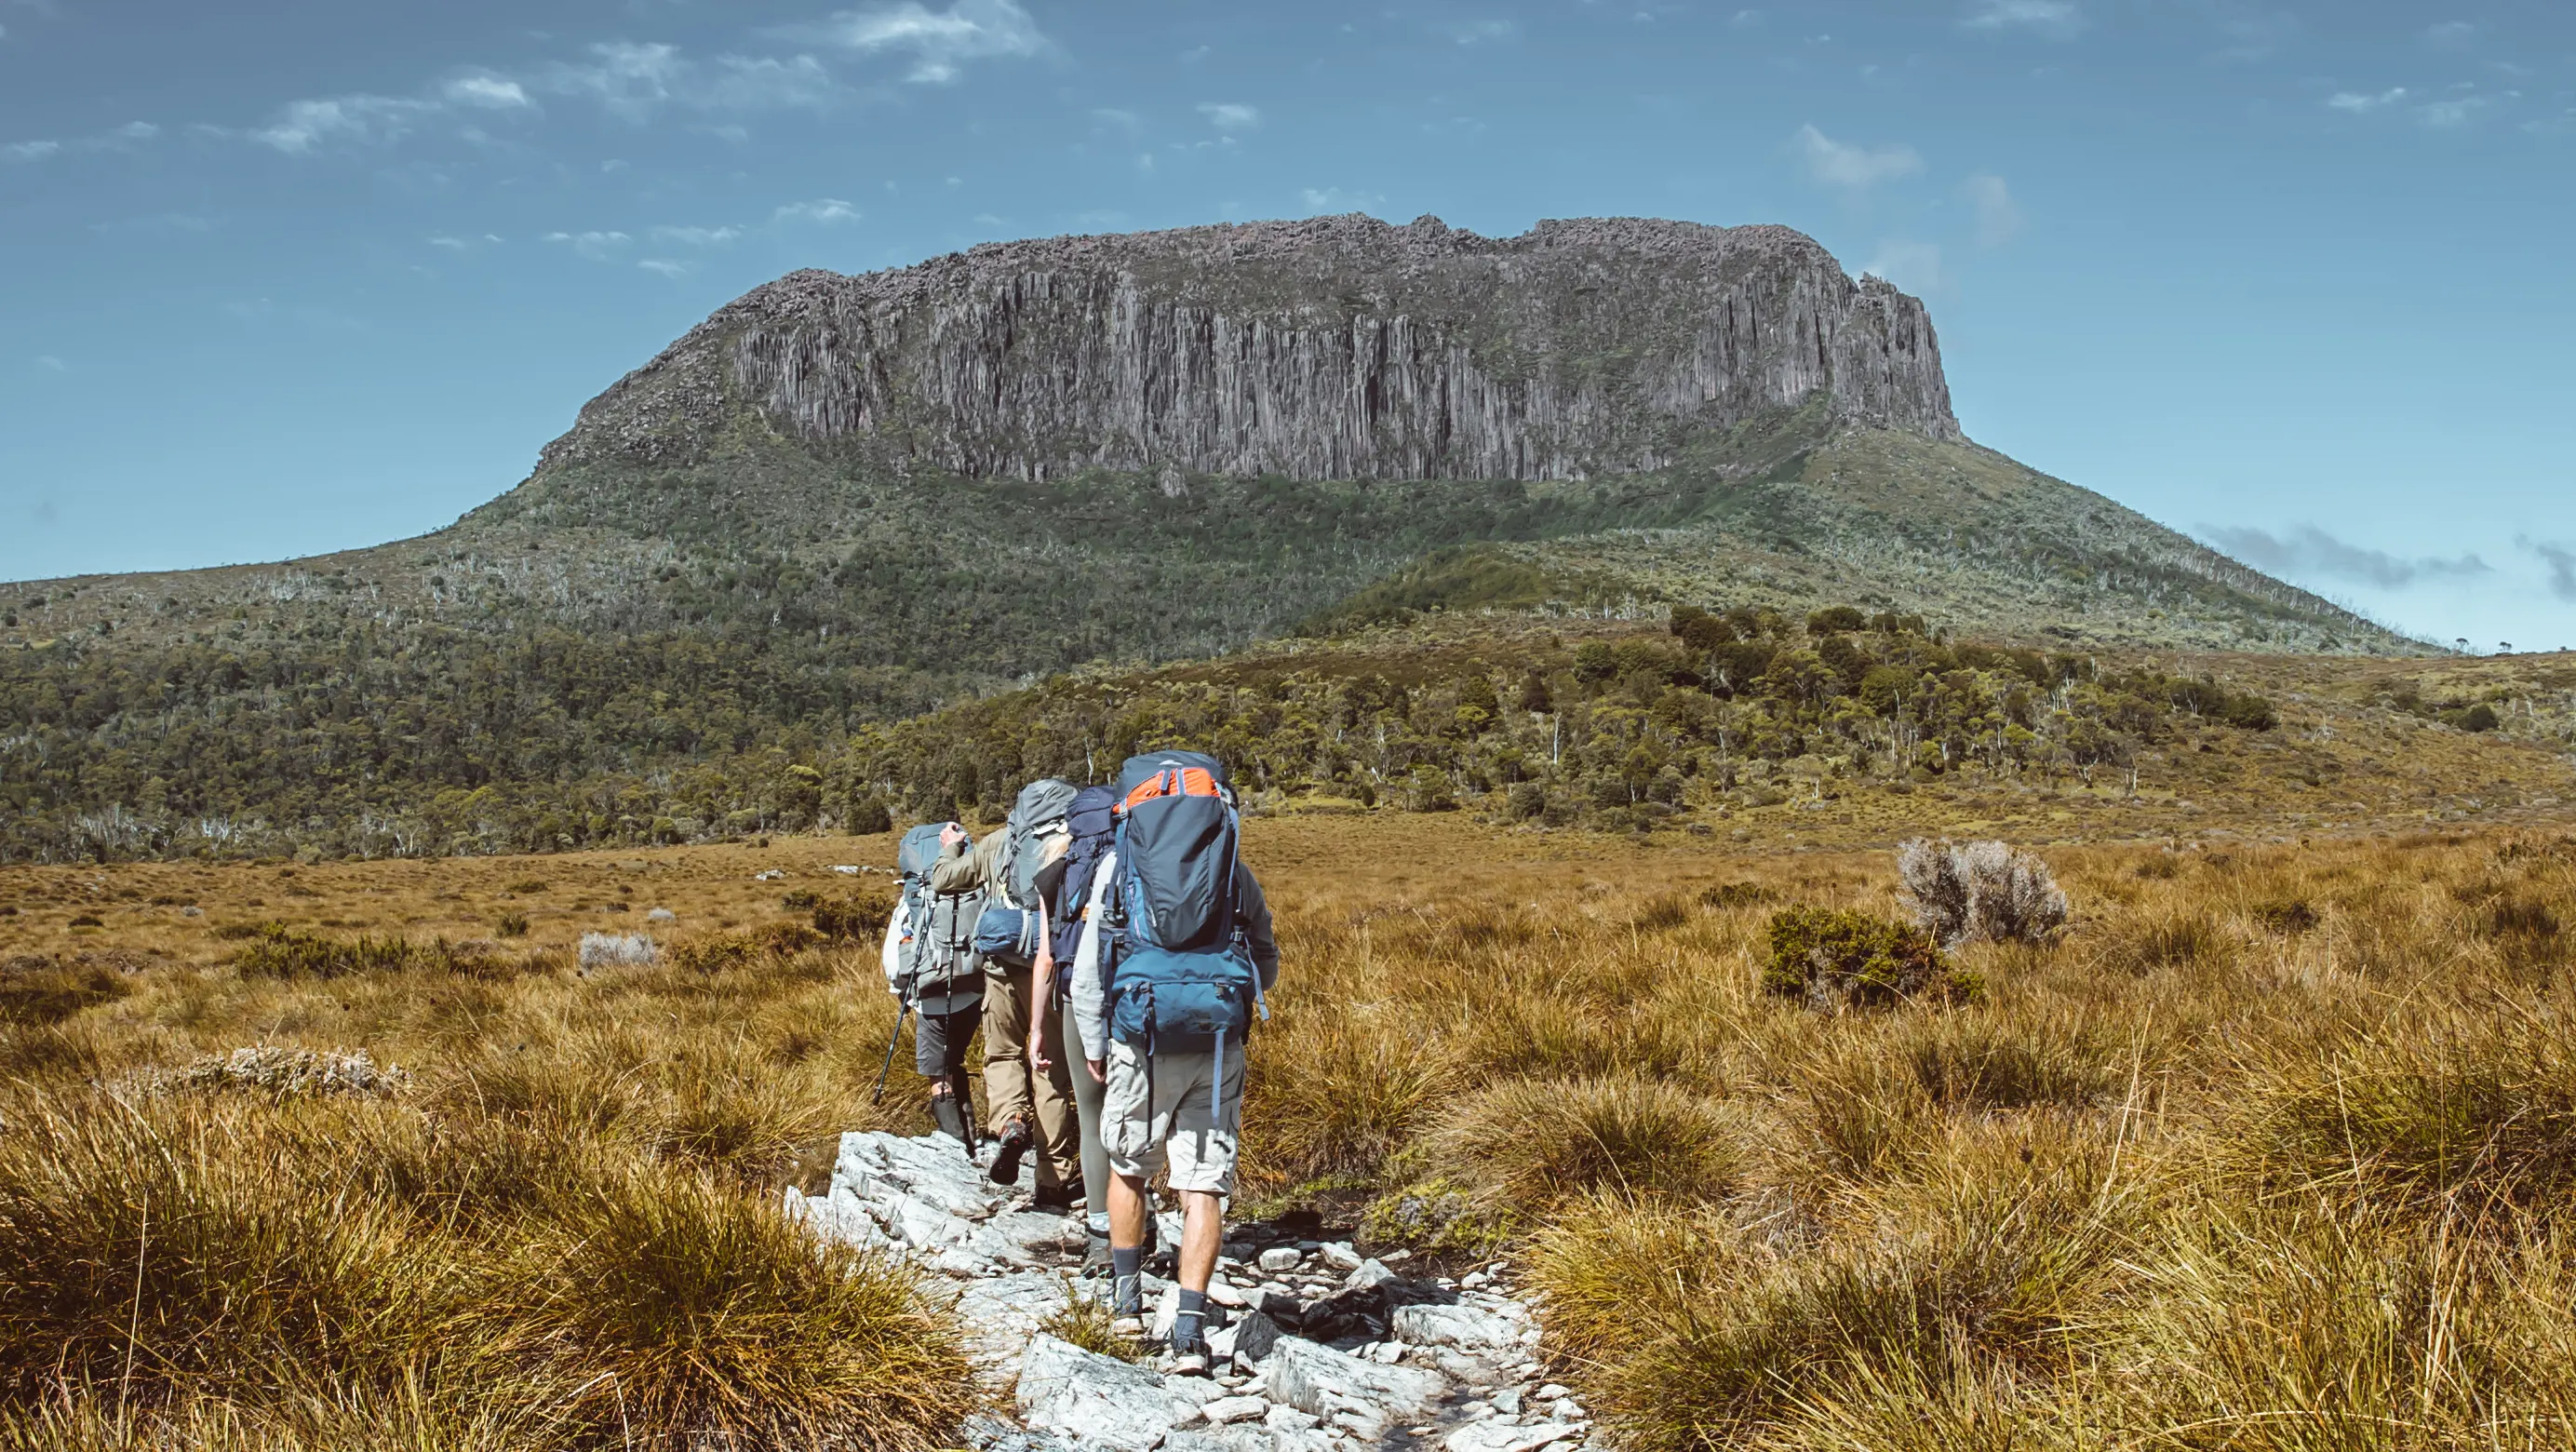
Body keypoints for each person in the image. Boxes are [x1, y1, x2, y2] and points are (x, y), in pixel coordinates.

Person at [1069, 755, 1280, 1376]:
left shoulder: (1117, 865)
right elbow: (1264, 951)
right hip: (1215, 1044)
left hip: (1142, 1037)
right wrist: (1234, 1003)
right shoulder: (1231, 866)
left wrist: (1095, 1044)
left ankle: (1127, 1304)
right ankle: (1189, 1330)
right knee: (1203, 1184)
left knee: (1129, 1167)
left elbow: (1090, 970)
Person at [934, 811, 1082, 1206]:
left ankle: (1011, 1123)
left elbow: (945, 880)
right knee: (1050, 1071)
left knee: (1001, 1055)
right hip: (1049, 973)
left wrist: (950, 852)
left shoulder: (1001, 842)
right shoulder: (1080, 840)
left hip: (1002, 969)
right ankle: (1053, 1179)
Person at [881, 821, 986, 1147]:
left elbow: (894, 964)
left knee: (938, 1075)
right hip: (974, 992)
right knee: (953, 1060)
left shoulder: (911, 904)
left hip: (930, 1000)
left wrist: (902, 993)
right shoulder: (975, 888)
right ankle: (973, 1138)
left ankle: (957, 1145)